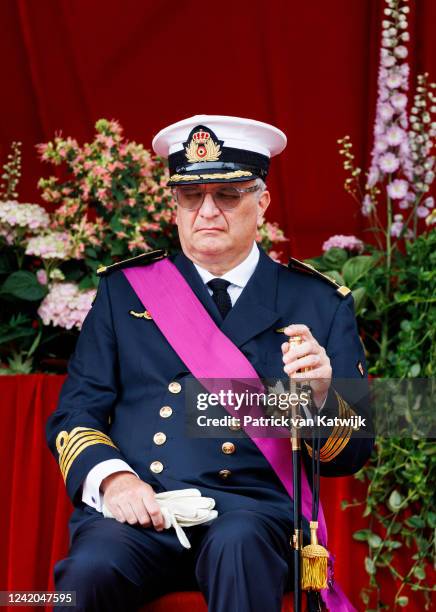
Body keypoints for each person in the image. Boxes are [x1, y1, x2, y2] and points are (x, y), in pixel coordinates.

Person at [46, 115, 373, 612]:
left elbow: (354, 451)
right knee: (87, 574)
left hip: (254, 520)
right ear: (174, 205)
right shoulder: (123, 292)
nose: (207, 212)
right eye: (190, 197)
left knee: (238, 544)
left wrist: (323, 398)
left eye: (227, 194)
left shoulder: (318, 303)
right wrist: (114, 479)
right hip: (145, 510)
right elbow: (75, 415)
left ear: (261, 202)